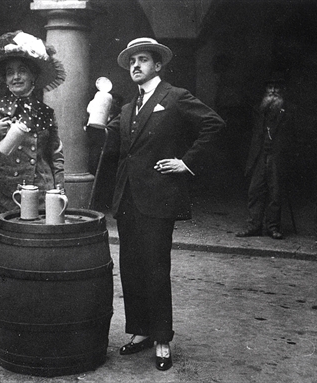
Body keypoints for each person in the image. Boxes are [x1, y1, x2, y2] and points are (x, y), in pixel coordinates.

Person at [105, 37, 224, 371]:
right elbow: (113, 144)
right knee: (130, 267)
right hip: (128, 198)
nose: (136, 66)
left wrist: (185, 162)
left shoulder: (174, 97)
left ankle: (161, 340)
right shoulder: (128, 107)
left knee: (156, 269)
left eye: (142, 60)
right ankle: (140, 331)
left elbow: (213, 124)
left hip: (158, 199)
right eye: (131, 62)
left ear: (158, 65)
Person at [0, 31, 66, 327]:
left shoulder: (46, 113)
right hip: (1, 192)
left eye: (21, 71)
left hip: (38, 192)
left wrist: (59, 187)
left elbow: (55, 153)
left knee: (33, 257)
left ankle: (31, 315)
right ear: (4, 80)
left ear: (33, 77)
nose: (16, 77)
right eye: (10, 73)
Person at [236, 74, 294, 240]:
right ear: (265, 90)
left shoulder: (288, 110)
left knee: (275, 193)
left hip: (277, 155)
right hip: (260, 155)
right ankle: (254, 225)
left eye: (277, 88)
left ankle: (273, 227)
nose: (273, 91)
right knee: (255, 191)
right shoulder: (258, 109)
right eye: (270, 88)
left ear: (282, 91)